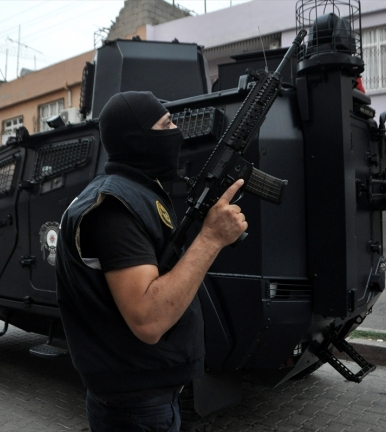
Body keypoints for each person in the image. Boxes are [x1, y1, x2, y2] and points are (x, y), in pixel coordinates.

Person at [55, 91, 247, 431]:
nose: (177, 132)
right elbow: (148, 319)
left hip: (142, 398)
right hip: (137, 408)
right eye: (166, 124)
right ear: (137, 139)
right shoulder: (115, 208)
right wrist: (211, 238)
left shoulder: (132, 192)